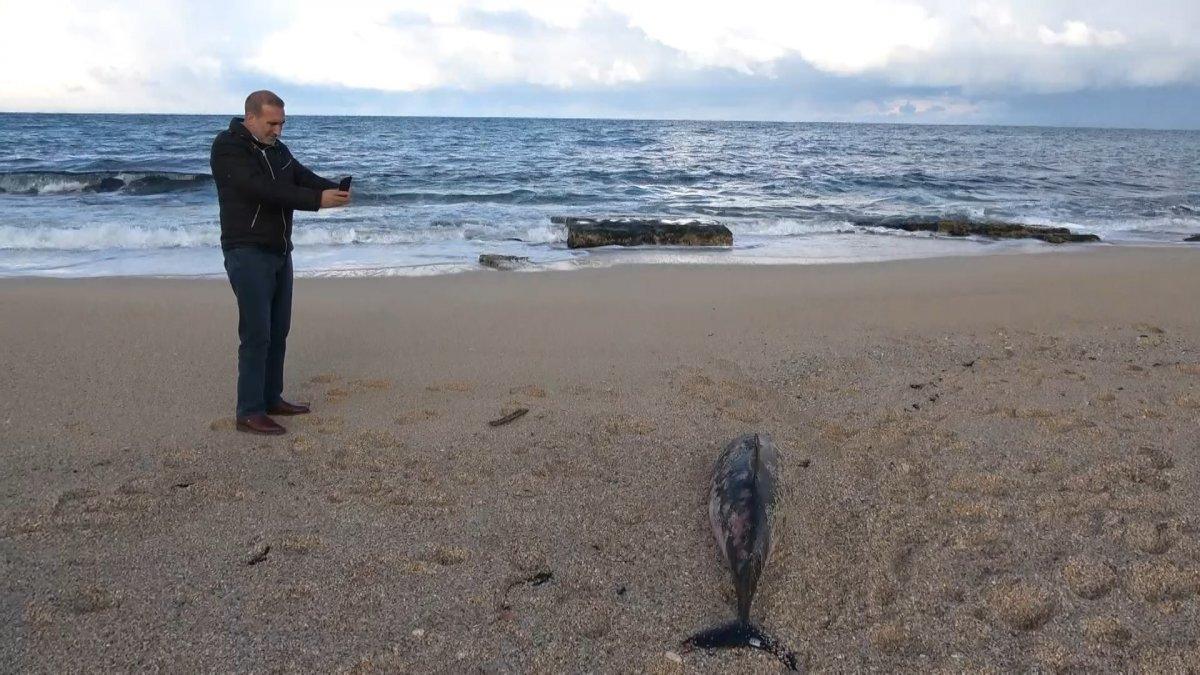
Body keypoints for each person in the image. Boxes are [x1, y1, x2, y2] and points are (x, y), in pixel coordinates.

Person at [210, 90, 350, 435]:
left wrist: (335, 188)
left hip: (279, 251)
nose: (278, 130)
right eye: (272, 123)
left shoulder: (278, 150)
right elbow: (262, 190)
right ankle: (249, 411)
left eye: (282, 124)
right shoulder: (229, 148)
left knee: (278, 331)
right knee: (256, 333)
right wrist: (317, 201)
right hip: (246, 251)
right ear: (251, 117)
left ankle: (272, 397)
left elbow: (300, 176)